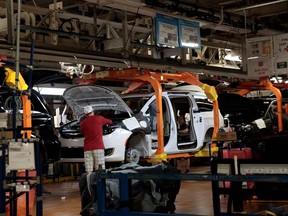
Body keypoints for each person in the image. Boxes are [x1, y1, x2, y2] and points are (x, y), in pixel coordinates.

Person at [80, 105, 112, 173]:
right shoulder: (99, 118)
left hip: (87, 148)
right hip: (98, 147)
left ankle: (89, 183)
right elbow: (109, 121)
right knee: (100, 169)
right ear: (92, 112)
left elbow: (83, 133)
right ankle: (99, 183)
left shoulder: (82, 123)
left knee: (89, 170)